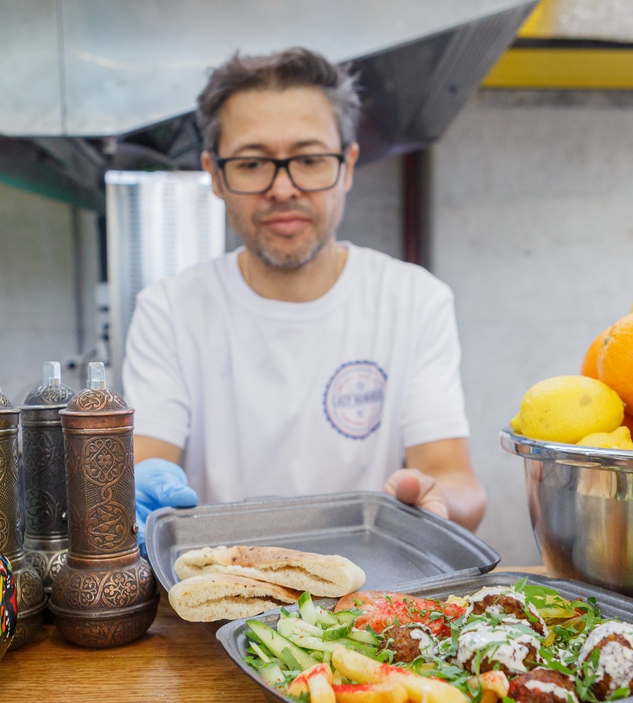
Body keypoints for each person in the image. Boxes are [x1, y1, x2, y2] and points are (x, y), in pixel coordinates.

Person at [124, 47, 486, 549]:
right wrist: (132, 494)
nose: (283, 188)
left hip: (368, 596)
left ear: (348, 164)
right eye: (252, 164)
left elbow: (455, 477)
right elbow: (145, 464)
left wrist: (438, 502)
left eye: (310, 160)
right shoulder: (170, 310)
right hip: (221, 588)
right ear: (215, 174)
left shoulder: (414, 300)